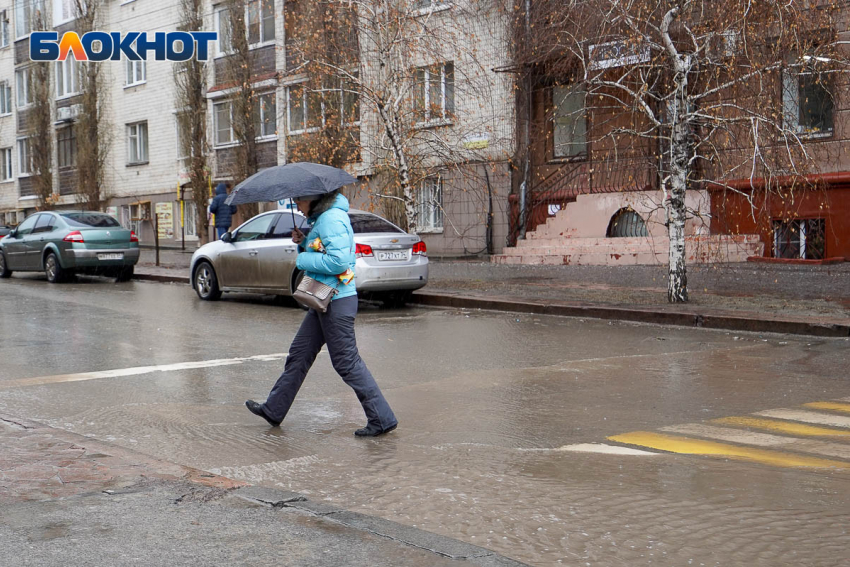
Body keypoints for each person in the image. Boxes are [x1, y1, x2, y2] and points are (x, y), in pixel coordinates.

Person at [245, 190, 398, 437]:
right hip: (322, 295)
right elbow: (325, 249)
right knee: (299, 354)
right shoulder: (324, 218)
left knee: (347, 362)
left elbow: (338, 263)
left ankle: (382, 418)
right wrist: (305, 241)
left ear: (315, 198)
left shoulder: (330, 219)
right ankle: (274, 408)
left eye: (300, 201)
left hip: (336, 300)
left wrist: (302, 259)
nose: (298, 207)